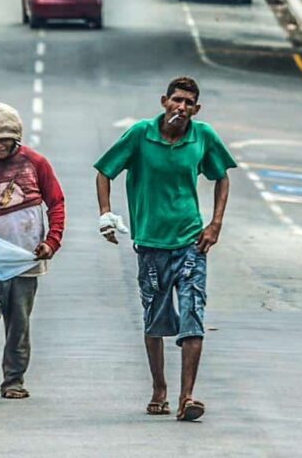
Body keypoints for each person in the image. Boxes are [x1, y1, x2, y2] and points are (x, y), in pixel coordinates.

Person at [94, 77, 236, 422]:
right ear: (164, 101)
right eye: (177, 100)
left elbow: (221, 177)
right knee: (155, 319)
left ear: (196, 109)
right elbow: (104, 171)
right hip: (151, 245)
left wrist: (215, 224)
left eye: (188, 103)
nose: (181, 108)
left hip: (190, 243)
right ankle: (159, 389)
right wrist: (106, 215)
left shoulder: (203, 136)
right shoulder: (140, 134)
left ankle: (187, 397)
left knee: (193, 315)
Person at [0, 98, 66, 403]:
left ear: (16, 136)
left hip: (25, 259)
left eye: (4, 140)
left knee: (18, 322)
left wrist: (51, 241)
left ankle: (14, 379)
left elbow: (56, 202)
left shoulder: (35, 163)